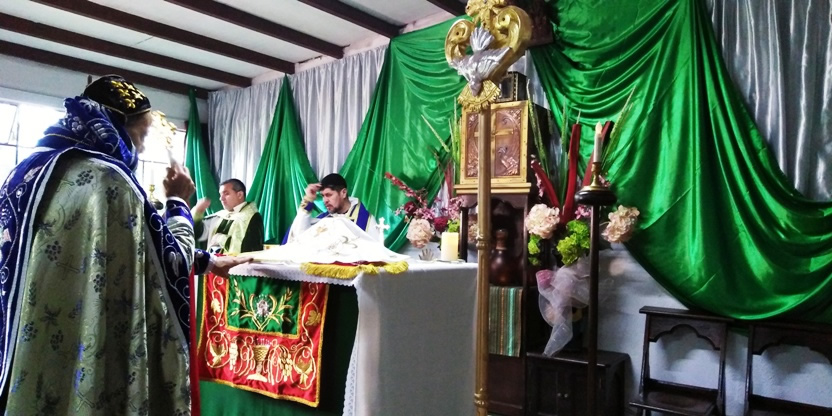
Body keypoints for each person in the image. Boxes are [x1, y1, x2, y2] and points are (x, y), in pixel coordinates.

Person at [0, 75, 247, 414]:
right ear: (114, 124)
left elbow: (134, 247)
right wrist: (177, 202)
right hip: (89, 336)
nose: (141, 148)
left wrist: (209, 261)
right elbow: (170, 262)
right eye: (140, 135)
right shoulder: (109, 180)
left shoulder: (25, 172)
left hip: (24, 342)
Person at [284, 173, 386, 244]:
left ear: (343, 193)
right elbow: (298, 233)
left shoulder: (365, 221)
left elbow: (374, 252)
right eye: (323, 196)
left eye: (329, 195)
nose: (325, 200)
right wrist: (308, 199)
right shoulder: (324, 219)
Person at [192, 179, 263, 254]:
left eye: (226, 194)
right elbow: (198, 234)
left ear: (239, 195)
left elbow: (250, 249)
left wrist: (220, 239)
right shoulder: (219, 216)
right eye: (220, 195)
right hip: (213, 260)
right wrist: (197, 213)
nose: (221, 199)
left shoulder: (251, 218)